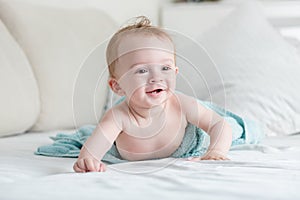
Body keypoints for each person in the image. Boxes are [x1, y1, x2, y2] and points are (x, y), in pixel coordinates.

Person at [73, 16, 232, 173]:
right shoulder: (118, 117)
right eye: (142, 70)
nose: (156, 78)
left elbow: (220, 124)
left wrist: (216, 151)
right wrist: (88, 161)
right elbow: (91, 151)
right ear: (117, 86)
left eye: (165, 68)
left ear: (175, 72)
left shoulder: (181, 104)